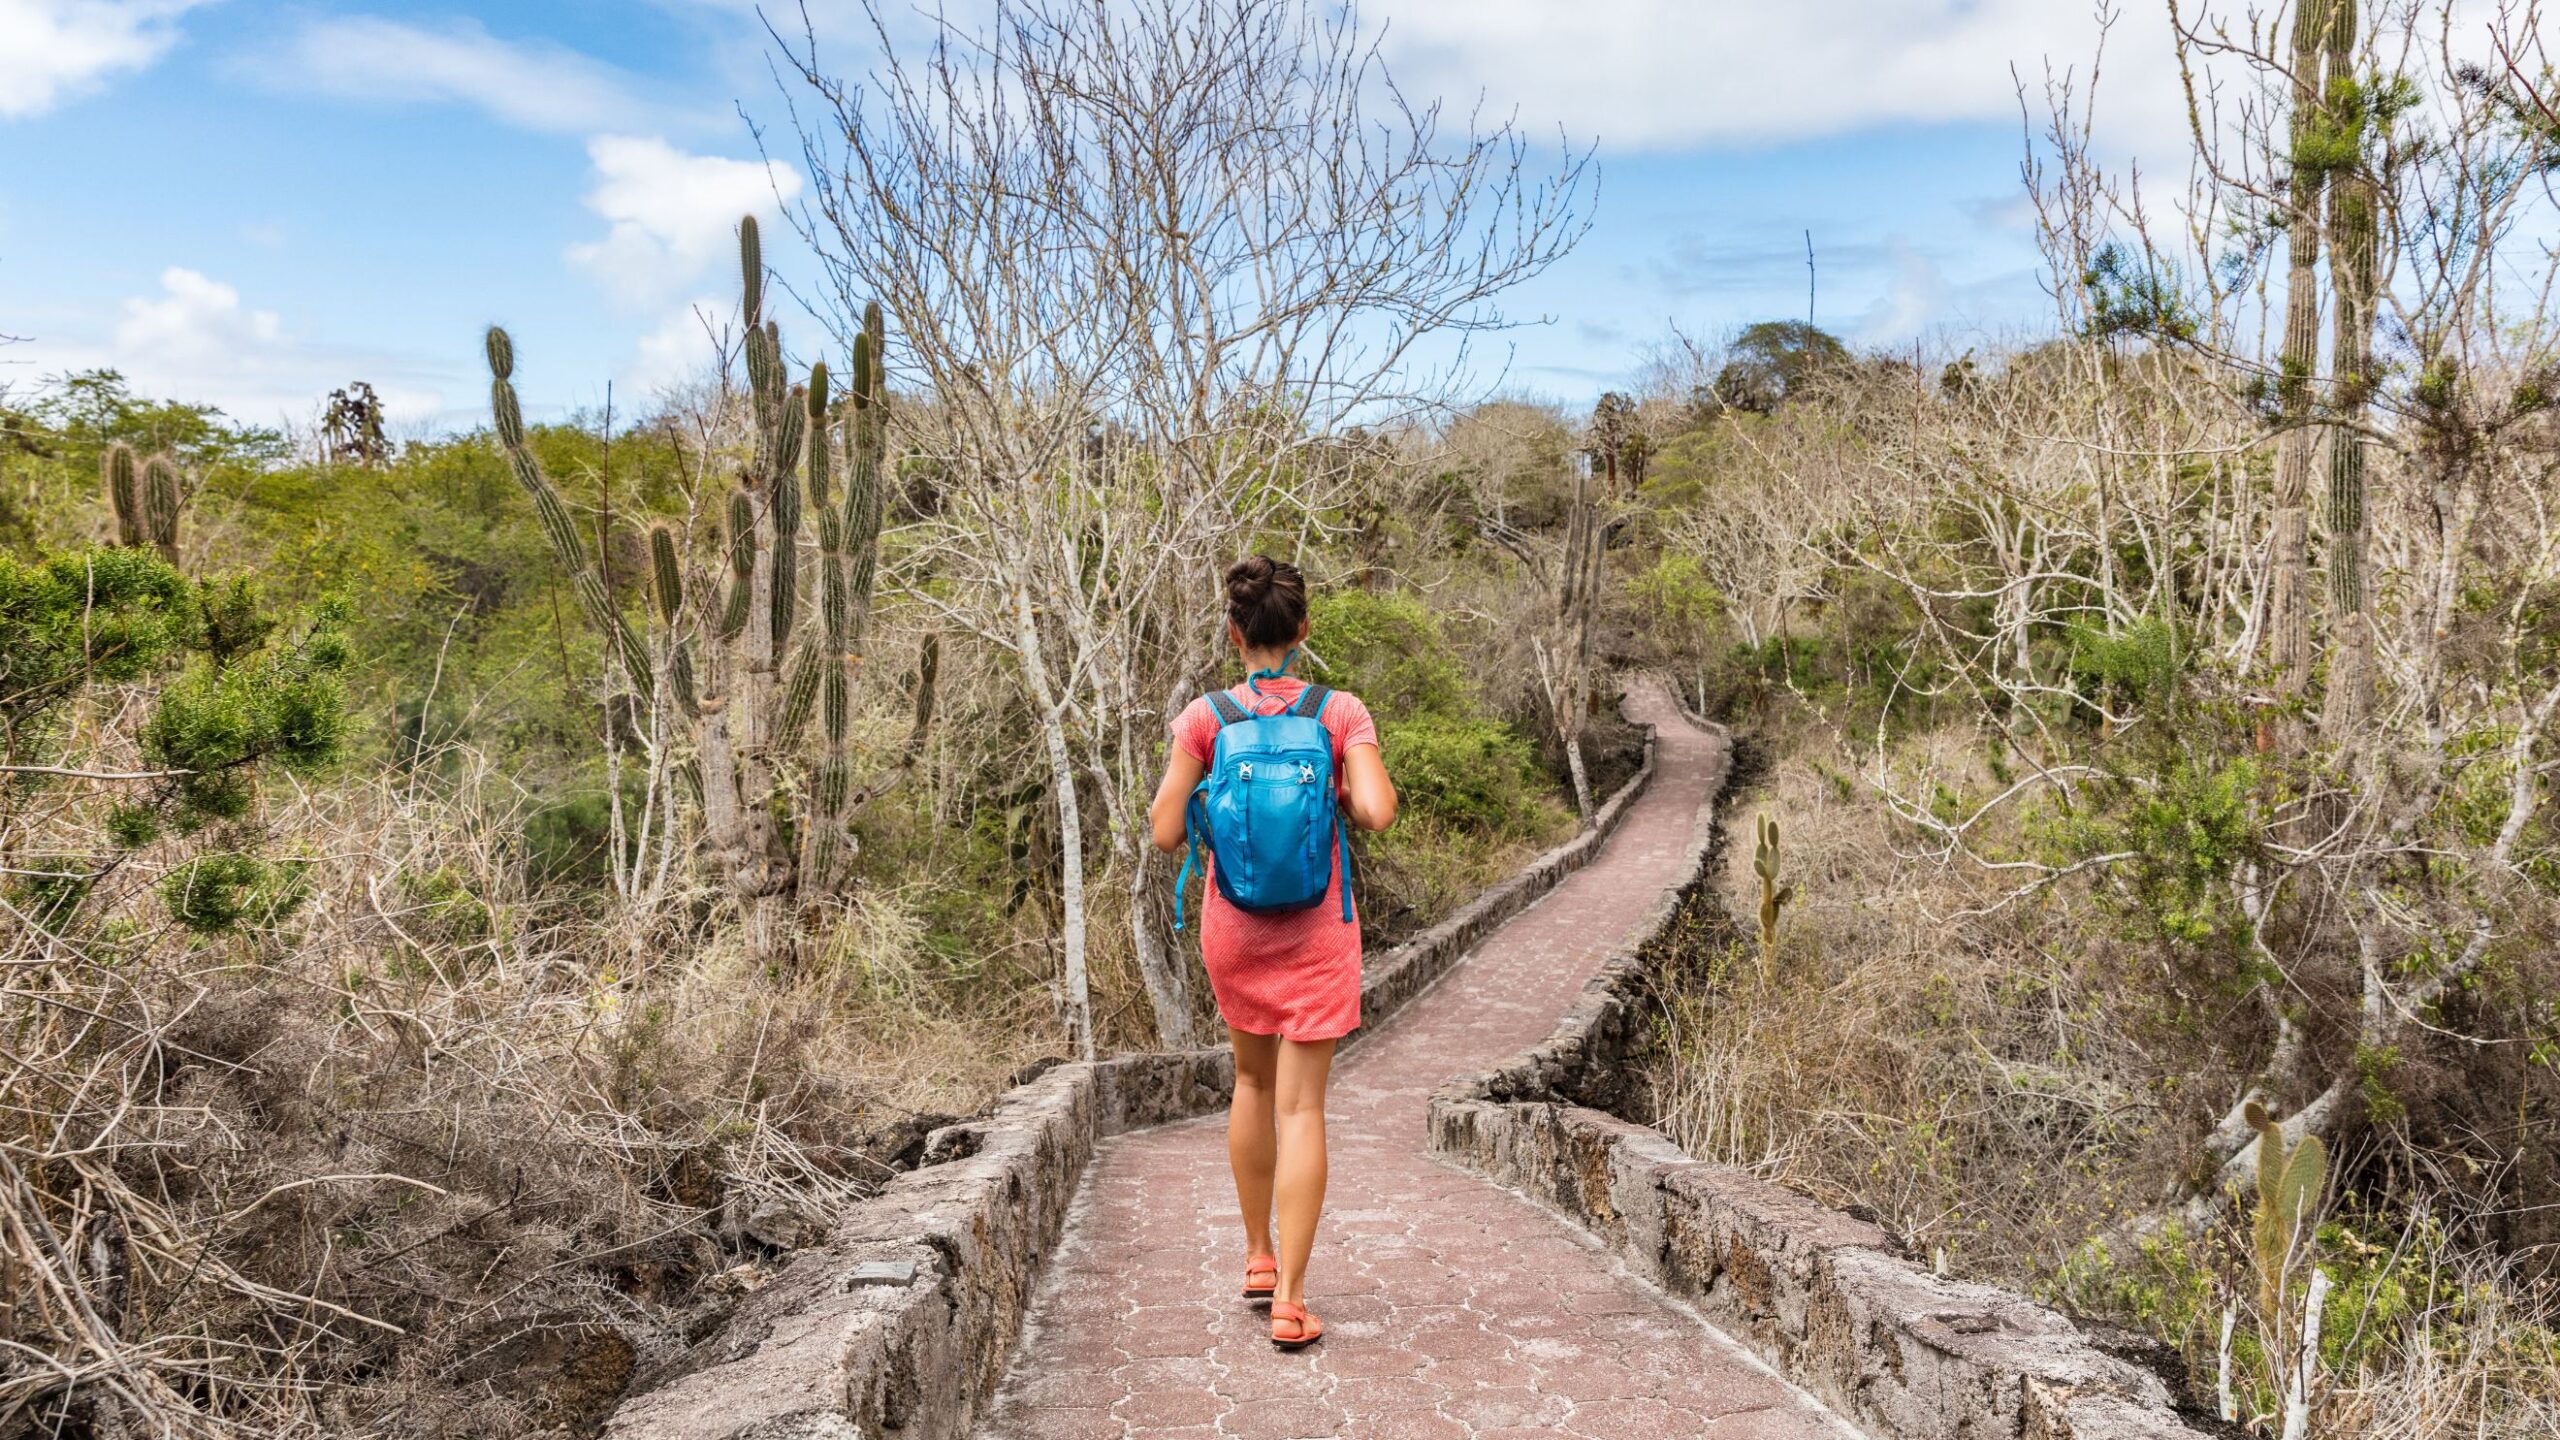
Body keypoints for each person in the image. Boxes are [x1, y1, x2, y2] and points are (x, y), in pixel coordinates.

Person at [1148, 555, 1397, 1350]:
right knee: (1303, 1107)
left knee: (1250, 1085)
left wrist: (1216, 807)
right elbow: (1380, 812)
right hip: (1319, 929)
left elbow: (1161, 832)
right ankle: (1291, 1299)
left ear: (1234, 632)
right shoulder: (1338, 712)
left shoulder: (1207, 717)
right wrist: (1342, 791)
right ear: (1303, 630)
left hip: (1234, 926)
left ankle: (1257, 1257)